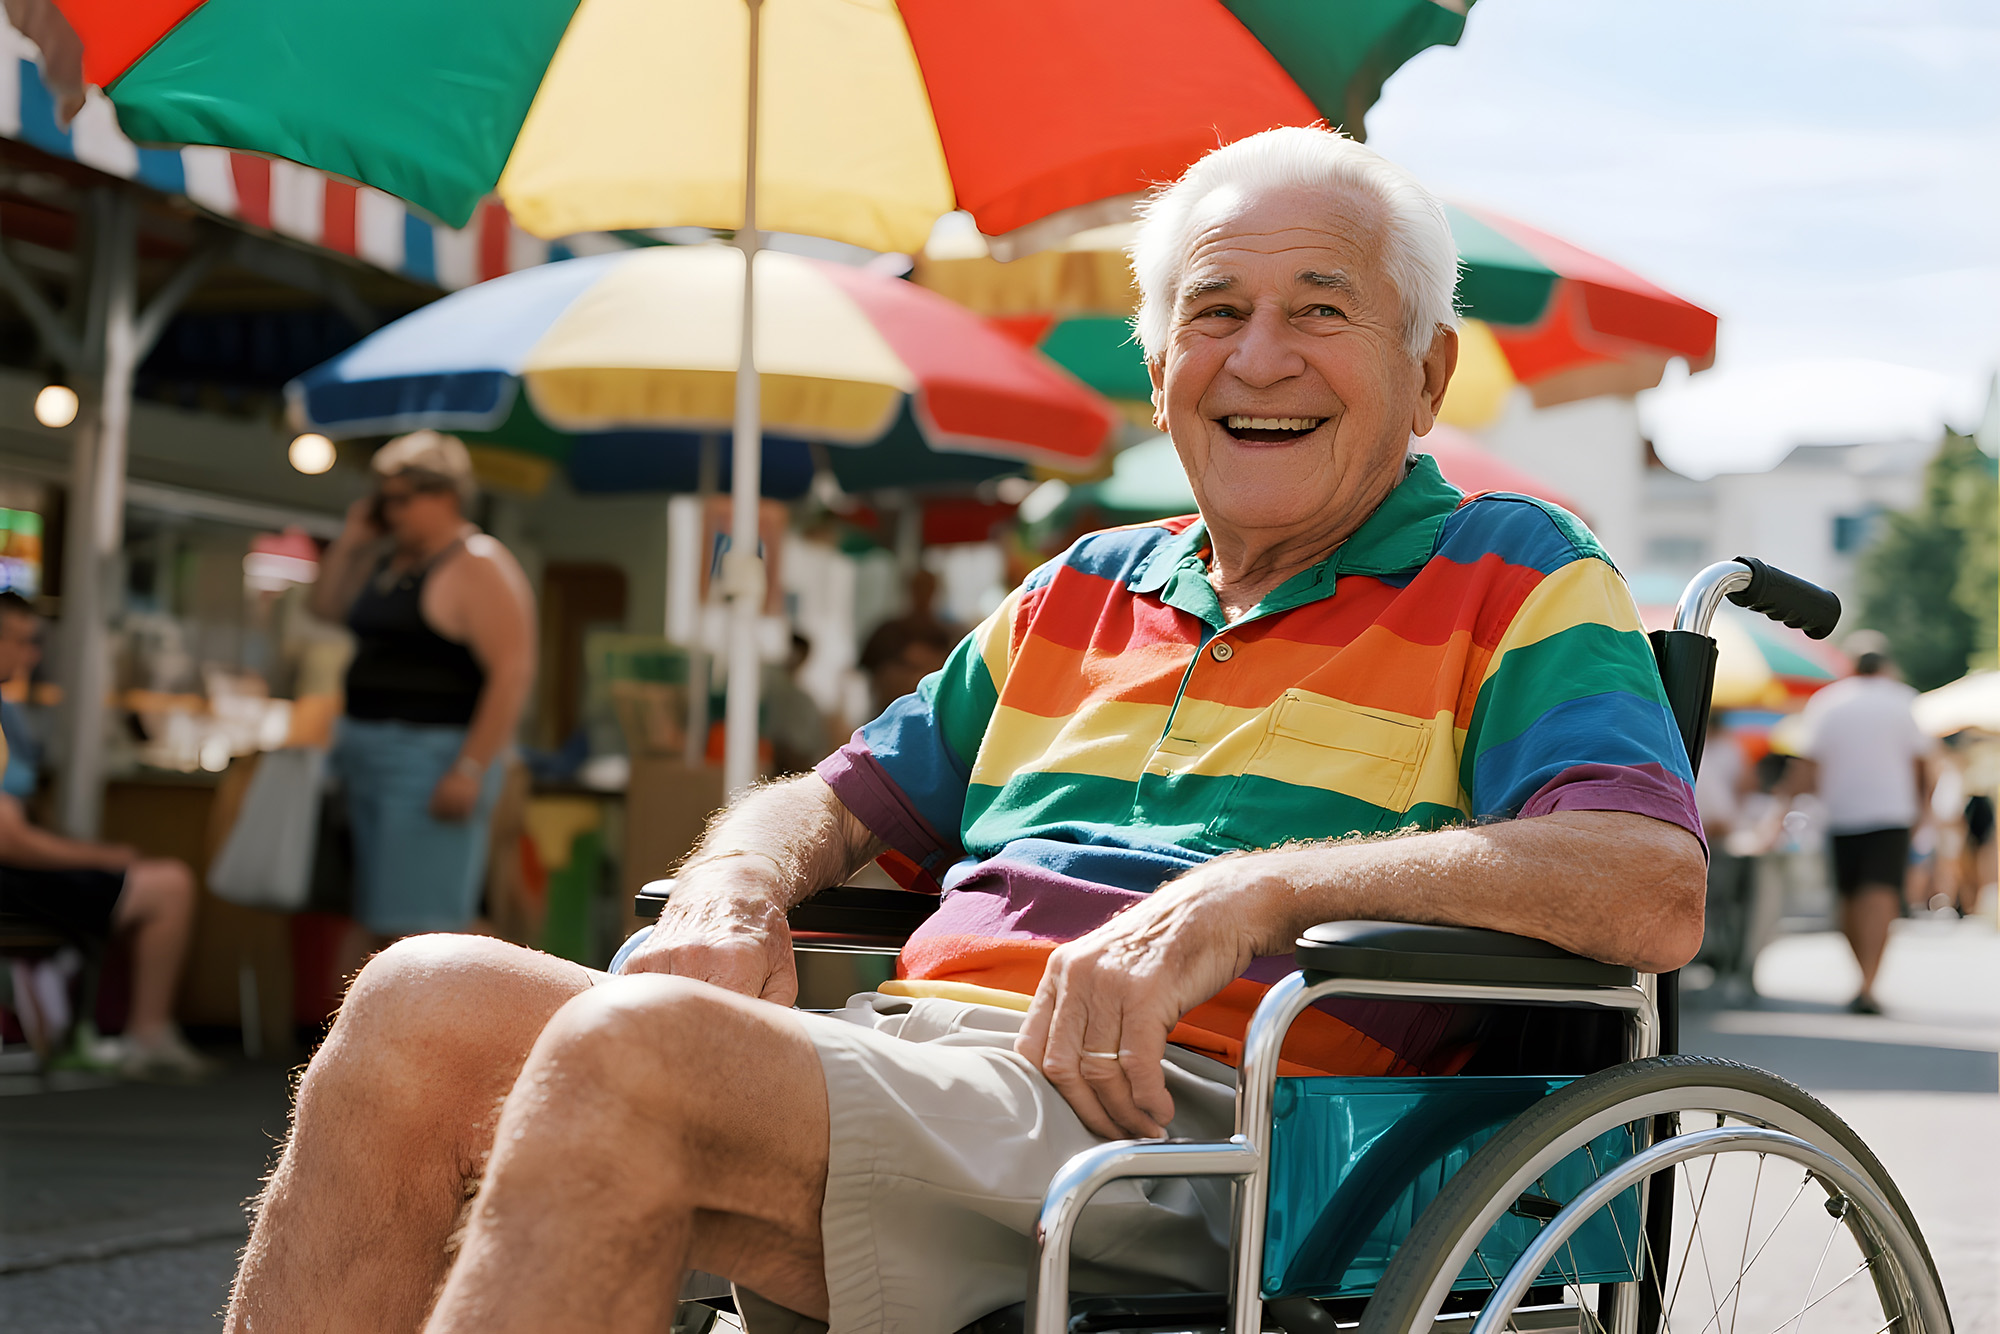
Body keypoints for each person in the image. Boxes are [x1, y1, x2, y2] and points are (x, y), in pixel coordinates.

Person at [225, 129, 1706, 1334]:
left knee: (638, 1052)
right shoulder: (1081, 587)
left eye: (1322, 308)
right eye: (1215, 312)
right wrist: (745, 879)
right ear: (1159, 365)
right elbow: (836, 798)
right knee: (417, 1000)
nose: (1260, 358)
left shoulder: (1516, 568)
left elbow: (1647, 879)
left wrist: (1268, 885)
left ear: (1428, 372)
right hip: (921, 1060)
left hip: (1198, 1129)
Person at [307, 431, 536, 976]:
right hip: (368, 755)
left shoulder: (476, 562)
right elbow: (324, 607)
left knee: (430, 927)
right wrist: (353, 541)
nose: (390, 511)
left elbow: (514, 670)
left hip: (431, 759)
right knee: (378, 918)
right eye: (383, 498)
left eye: (403, 498)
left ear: (447, 496)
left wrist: (471, 768)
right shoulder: (389, 560)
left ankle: (492, 1040)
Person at [0, 592, 206, 1078]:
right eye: (22, 641)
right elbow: (10, 841)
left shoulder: (10, 712)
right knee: (170, 884)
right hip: (10, 877)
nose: (32, 655)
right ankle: (147, 1034)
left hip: (18, 869)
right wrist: (100, 856)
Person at [1779, 630, 1933, 1014]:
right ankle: (1869, 982)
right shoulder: (1903, 701)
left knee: (1848, 898)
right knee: (1880, 896)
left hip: (1841, 812)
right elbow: (1923, 767)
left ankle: (1862, 979)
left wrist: (1786, 806)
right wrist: (1922, 814)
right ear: (1884, 663)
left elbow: (1808, 766)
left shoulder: (1827, 702)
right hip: (1892, 813)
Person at [858, 567, 957, 716]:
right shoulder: (887, 632)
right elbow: (867, 671)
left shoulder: (944, 635)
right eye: (919, 587)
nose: (923, 594)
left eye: (927, 588)